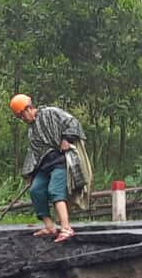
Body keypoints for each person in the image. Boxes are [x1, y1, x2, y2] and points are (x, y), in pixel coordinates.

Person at [10, 93, 85, 242]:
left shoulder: (51, 113)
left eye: (22, 116)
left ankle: (66, 228)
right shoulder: (31, 131)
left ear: (28, 108)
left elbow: (72, 122)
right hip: (44, 166)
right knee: (36, 190)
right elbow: (33, 154)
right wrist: (29, 174)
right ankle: (50, 226)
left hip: (60, 162)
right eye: (20, 118)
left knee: (55, 190)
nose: (23, 119)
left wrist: (66, 139)